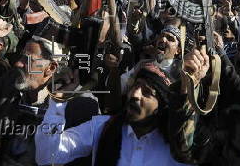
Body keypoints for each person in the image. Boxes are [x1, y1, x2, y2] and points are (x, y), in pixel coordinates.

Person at [35, 64, 192, 166]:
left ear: (162, 106)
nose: (135, 94)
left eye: (147, 92)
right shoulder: (103, 127)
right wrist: (58, 101)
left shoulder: (173, 147)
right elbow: (47, 155)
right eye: (136, 86)